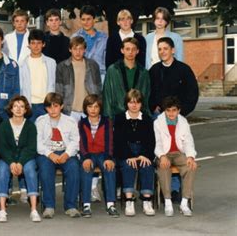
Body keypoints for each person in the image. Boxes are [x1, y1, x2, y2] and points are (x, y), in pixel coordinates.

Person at [36, 93, 81, 218]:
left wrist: (66, 154)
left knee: (73, 168)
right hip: (46, 153)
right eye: (49, 107)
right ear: (46, 108)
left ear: (61, 106)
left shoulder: (70, 121)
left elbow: (75, 141)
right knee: (45, 170)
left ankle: (71, 206)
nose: (52, 110)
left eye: (55, 106)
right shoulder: (40, 121)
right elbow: (38, 143)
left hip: (66, 152)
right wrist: (50, 154)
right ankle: (49, 206)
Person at [0, 95, 41, 223]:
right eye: (15, 106)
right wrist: (11, 162)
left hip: (26, 158)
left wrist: (20, 162)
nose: (18, 109)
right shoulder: (4, 125)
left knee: (30, 171)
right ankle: (2, 210)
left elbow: (31, 148)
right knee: (3, 171)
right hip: (8, 158)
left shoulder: (30, 126)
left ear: (26, 110)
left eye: (22, 106)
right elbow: (2, 148)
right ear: (11, 109)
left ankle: (33, 210)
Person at [114, 89, 156, 217]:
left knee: (147, 165)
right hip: (125, 150)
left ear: (141, 104)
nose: (134, 105)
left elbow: (150, 140)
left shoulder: (147, 119)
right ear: (126, 103)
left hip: (142, 150)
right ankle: (129, 200)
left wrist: (145, 155)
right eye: (131, 102)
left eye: (137, 102)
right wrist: (128, 156)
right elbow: (118, 141)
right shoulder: (120, 118)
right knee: (128, 166)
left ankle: (147, 200)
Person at [154, 96, 197, 217]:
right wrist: (162, 156)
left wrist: (190, 156)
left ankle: (184, 202)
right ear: (164, 111)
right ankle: (168, 201)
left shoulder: (183, 122)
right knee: (163, 167)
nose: (171, 113)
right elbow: (157, 143)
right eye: (168, 110)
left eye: (174, 110)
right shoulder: (158, 122)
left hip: (178, 152)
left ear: (178, 110)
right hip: (164, 153)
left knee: (191, 167)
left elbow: (188, 141)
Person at [79, 94, 119, 218]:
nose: (93, 109)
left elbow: (109, 141)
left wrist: (108, 158)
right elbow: (82, 142)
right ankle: (86, 205)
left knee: (109, 168)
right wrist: (85, 158)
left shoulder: (107, 121)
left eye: (96, 107)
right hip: (89, 154)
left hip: (103, 153)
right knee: (86, 169)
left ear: (100, 108)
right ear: (86, 108)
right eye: (90, 106)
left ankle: (111, 204)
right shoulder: (82, 123)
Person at [149, 37, 199, 118]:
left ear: (172, 50)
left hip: (178, 115)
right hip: (158, 115)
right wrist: (152, 107)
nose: (162, 52)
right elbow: (148, 91)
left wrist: (182, 111)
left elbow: (192, 93)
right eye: (160, 49)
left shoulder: (184, 69)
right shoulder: (154, 70)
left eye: (165, 48)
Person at [55, 36, 102, 122]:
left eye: (81, 49)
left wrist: (97, 107)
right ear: (70, 49)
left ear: (85, 50)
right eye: (75, 49)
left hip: (89, 110)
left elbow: (98, 88)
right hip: (69, 111)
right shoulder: (62, 67)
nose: (78, 52)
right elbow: (59, 91)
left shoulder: (93, 65)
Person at [103, 37, 150, 120]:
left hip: (138, 116)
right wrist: (108, 118)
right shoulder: (113, 70)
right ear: (122, 50)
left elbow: (146, 97)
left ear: (137, 51)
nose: (130, 52)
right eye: (127, 49)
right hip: (117, 115)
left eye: (133, 49)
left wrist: (146, 116)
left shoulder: (143, 72)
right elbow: (107, 96)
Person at [19, 29, 56, 121]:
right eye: (33, 43)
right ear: (29, 45)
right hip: (29, 105)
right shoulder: (22, 64)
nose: (36, 46)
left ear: (43, 44)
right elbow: (21, 87)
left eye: (39, 43)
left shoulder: (51, 63)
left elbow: (54, 84)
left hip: (46, 105)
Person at [71, 5, 108, 82]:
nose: (86, 22)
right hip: (80, 75)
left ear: (94, 19)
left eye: (88, 19)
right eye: (83, 19)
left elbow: (106, 60)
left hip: (100, 76)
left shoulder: (104, 38)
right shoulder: (74, 37)